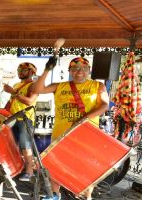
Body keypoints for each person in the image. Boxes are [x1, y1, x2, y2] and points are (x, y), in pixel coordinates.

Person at [34, 56, 109, 200]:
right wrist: (47, 69)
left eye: (83, 68)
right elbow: (38, 89)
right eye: (74, 68)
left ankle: (86, 196)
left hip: (86, 135)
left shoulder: (98, 86)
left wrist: (84, 119)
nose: (79, 71)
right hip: (61, 135)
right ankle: (54, 194)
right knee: (56, 167)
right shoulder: (60, 86)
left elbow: (104, 106)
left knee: (86, 168)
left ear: (89, 70)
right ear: (69, 71)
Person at [3, 62, 38, 181]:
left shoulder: (34, 85)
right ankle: (14, 169)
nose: (20, 72)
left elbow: (29, 101)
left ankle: (29, 172)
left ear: (31, 72)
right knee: (11, 145)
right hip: (13, 118)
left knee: (25, 146)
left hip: (25, 119)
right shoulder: (17, 84)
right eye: (19, 70)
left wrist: (12, 92)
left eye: (23, 70)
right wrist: (2, 112)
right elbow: (11, 101)